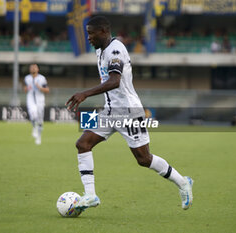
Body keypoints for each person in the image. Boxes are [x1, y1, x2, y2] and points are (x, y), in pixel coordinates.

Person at [66, 16, 193, 212]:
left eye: (91, 33)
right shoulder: (100, 50)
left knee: (144, 159)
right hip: (109, 111)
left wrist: (85, 93)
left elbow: (114, 81)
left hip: (129, 112)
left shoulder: (116, 50)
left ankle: (183, 182)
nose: (88, 37)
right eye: (87, 33)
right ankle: (90, 195)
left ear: (103, 32)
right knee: (83, 144)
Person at [24, 64, 49, 145]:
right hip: (30, 99)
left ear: (38, 69)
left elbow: (47, 90)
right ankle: (34, 127)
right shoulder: (27, 78)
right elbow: (25, 89)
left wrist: (40, 88)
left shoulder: (42, 78)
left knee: (40, 119)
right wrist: (26, 88)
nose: (33, 69)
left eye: (34, 67)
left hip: (40, 100)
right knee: (33, 114)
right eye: (31, 67)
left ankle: (39, 137)